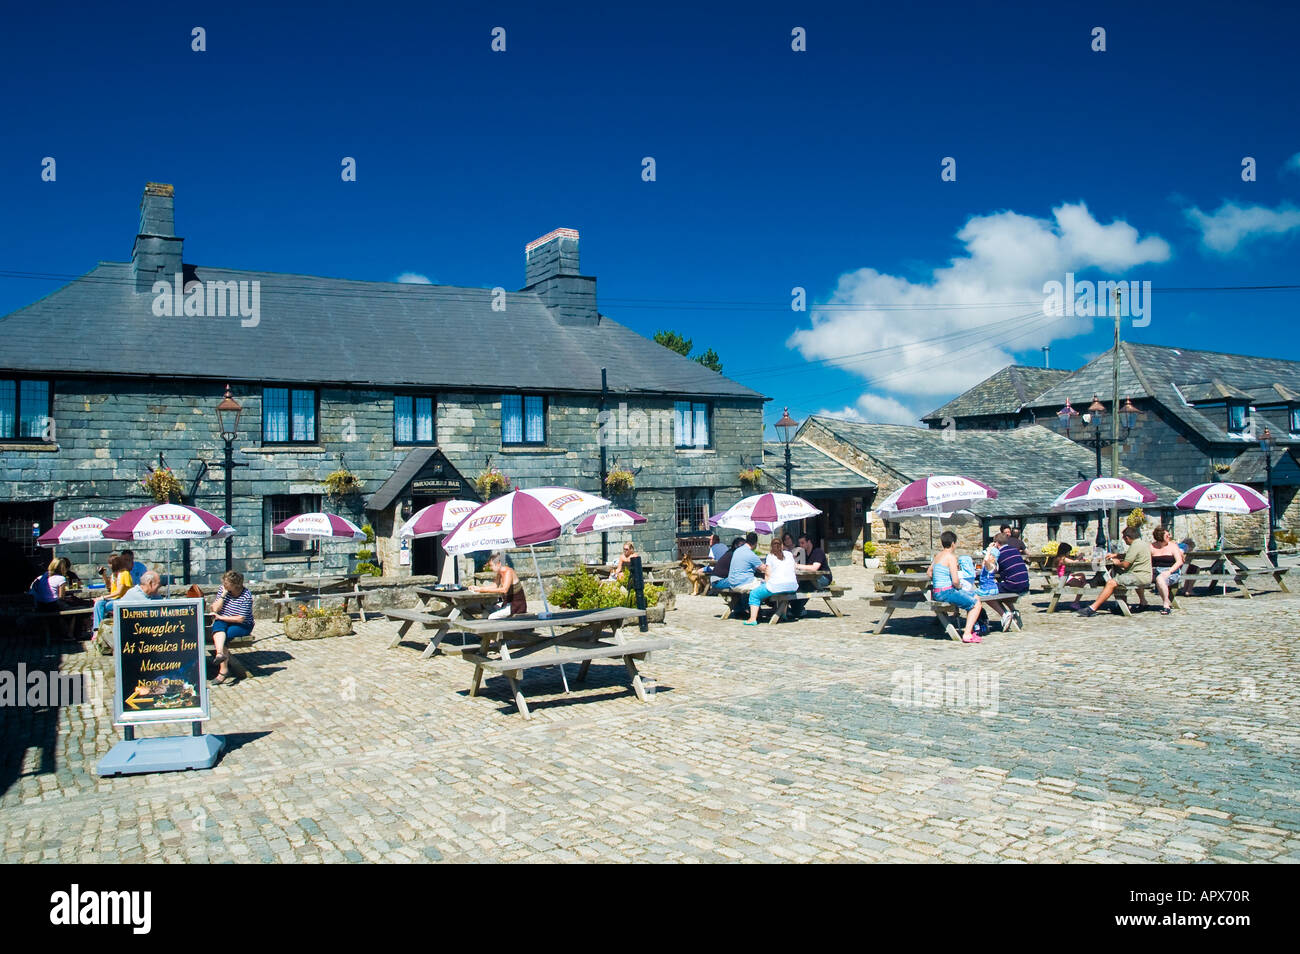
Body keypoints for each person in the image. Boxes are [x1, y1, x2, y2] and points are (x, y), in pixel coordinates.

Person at [1078, 525, 1152, 617]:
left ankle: (1093, 608)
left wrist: (1116, 562)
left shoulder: (1135, 546)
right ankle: (1133, 604)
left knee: (1111, 582)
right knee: (1117, 574)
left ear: (1127, 537)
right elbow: (1129, 555)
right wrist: (1116, 555)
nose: (1124, 541)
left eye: (1124, 539)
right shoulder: (1142, 543)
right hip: (1145, 575)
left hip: (1138, 576)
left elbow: (1125, 565)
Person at [929, 530, 983, 643]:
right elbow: (955, 581)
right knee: (976, 604)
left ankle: (971, 628)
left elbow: (929, 572)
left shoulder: (938, 556)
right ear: (953, 543)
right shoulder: (951, 557)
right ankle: (967, 634)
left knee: (976, 596)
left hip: (937, 591)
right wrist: (959, 587)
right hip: (946, 592)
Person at [744, 536, 802, 625]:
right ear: (782, 545)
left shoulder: (770, 556)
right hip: (793, 586)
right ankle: (783, 614)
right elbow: (793, 568)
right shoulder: (789, 554)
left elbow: (767, 574)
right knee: (783, 593)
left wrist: (767, 584)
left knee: (754, 594)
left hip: (776, 585)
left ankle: (752, 619)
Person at [211, 571, 254, 685]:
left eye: (227, 583)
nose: (224, 584)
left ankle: (223, 671)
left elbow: (240, 619)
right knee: (218, 626)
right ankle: (220, 654)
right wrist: (223, 595)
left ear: (236, 585)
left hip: (242, 625)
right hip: (224, 620)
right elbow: (215, 609)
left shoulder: (246, 596)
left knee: (226, 635)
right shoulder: (223, 590)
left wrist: (221, 617)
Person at [473, 551, 527, 619]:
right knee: (485, 606)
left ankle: (496, 628)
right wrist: (478, 588)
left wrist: (482, 590)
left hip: (515, 605)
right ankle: (484, 628)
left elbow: (504, 589)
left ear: (498, 564)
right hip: (506, 604)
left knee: (492, 617)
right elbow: (494, 586)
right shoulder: (500, 572)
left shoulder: (508, 571)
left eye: (491, 565)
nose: (491, 568)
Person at [93, 553, 134, 630]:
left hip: (122, 599)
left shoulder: (124, 574)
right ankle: (97, 628)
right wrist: (104, 575)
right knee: (98, 604)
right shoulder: (114, 575)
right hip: (114, 598)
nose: (110, 566)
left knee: (102, 606)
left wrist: (102, 597)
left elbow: (119, 592)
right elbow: (109, 586)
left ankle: (100, 628)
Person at [1149, 526, 1184, 615]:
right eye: (1167, 536)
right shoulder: (1151, 547)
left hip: (1172, 571)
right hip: (1155, 571)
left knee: (1160, 579)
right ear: (1160, 537)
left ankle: (1166, 604)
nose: (1169, 537)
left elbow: (1179, 562)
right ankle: (1142, 601)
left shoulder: (1173, 546)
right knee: (1139, 578)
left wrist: (1169, 571)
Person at [1049, 542, 1089, 611]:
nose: (1069, 553)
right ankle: (1076, 602)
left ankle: (1083, 586)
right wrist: (1080, 556)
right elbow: (1074, 563)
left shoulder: (1059, 558)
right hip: (1064, 578)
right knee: (1081, 585)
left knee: (1082, 575)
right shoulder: (1063, 558)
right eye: (1068, 551)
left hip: (1065, 576)